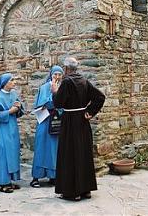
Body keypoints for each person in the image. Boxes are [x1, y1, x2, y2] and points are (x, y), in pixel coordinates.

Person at [51, 57, 105, 201]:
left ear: (67, 69)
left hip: (70, 122)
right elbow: (100, 97)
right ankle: (85, 190)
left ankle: (72, 192)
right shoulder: (83, 80)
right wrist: (89, 111)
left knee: (69, 154)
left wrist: (55, 91)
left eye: (64, 68)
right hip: (82, 121)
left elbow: (58, 103)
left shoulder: (67, 82)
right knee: (83, 154)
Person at [0, 73, 23, 193]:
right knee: (3, 155)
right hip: (2, 129)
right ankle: (2, 183)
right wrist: (10, 111)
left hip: (12, 129)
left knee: (12, 154)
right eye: (11, 80)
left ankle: (10, 180)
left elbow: (19, 111)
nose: (14, 82)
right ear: (5, 83)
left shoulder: (13, 94)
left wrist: (18, 107)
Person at [30, 65, 64, 188]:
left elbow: (63, 104)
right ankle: (36, 177)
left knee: (53, 150)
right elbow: (43, 104)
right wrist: (53, 103)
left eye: (60, 74)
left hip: (56, 122)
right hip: (44, 122)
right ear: (51, 74)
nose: (57, 77)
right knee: (41, 148)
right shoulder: (44, 87)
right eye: (55, 74)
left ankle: (52, 176)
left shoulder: (62, 88)